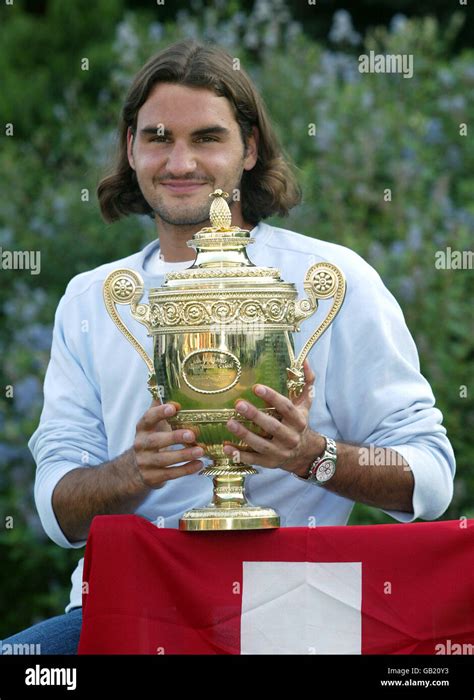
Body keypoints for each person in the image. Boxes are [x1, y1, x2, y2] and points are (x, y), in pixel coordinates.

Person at [3, 39, 455, 654]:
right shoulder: (92, 300)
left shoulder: (334, 280)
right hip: (128, 606)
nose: (180, 161)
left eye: (208, 138)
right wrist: (133, 472)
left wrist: (311, 455)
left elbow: (429, 477)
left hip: (294, 613)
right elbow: (59, 512)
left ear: (250, 150)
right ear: (130, 148)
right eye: (158, 137)